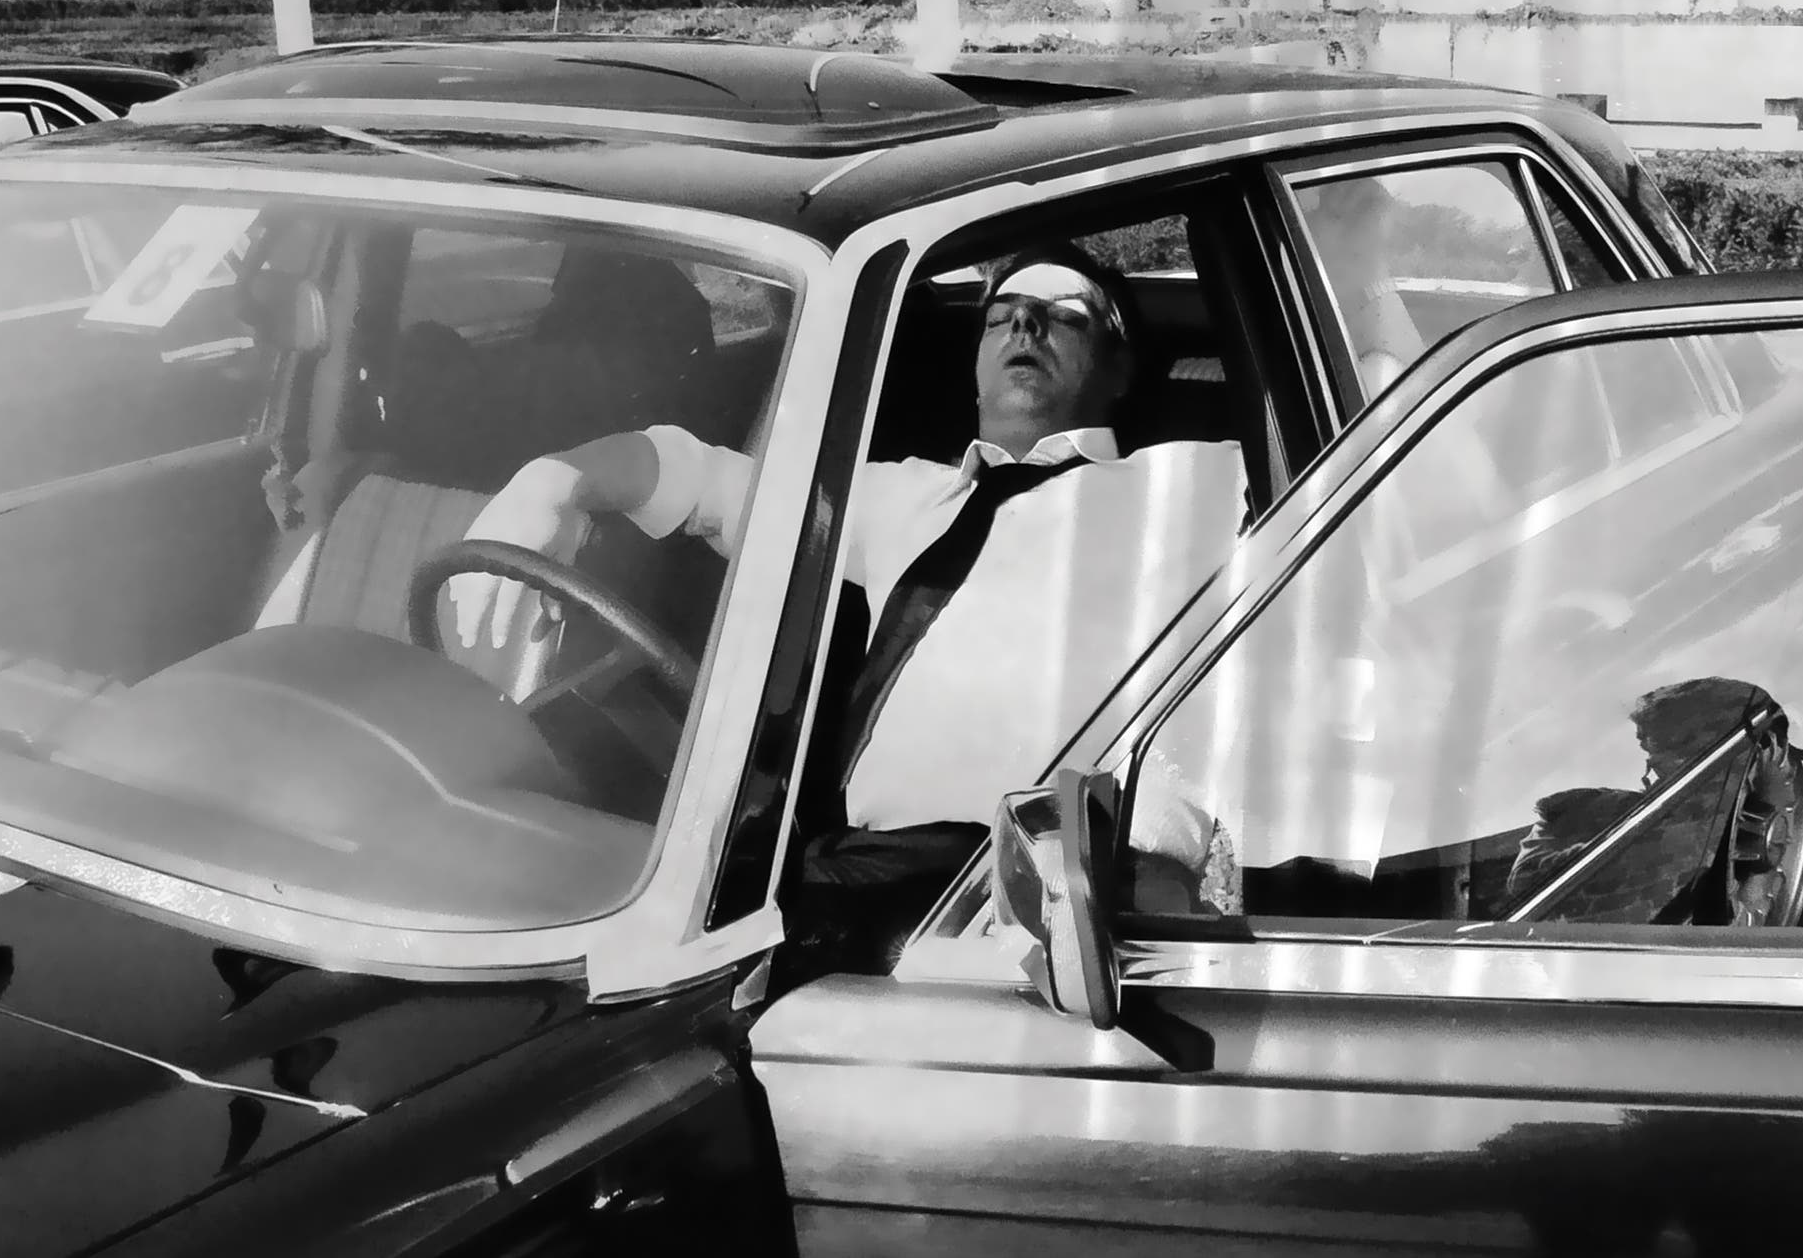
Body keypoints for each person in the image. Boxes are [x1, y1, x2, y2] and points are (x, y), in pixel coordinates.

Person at [450, 243, 1246, 972]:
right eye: (1001, 315)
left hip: (1053, 888)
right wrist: (554, 480)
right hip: (853, 876)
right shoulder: (898, 496)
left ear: (1119, 368)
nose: (1025, 323)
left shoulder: (1198, 484)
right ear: (973, 364)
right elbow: (697, 479)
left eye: (1064, 314)